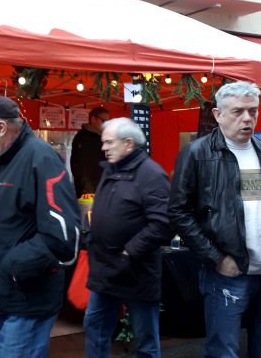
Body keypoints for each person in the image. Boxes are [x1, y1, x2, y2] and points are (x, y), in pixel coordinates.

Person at [169, 81, 261, 358]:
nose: (247, 118)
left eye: (253, 111)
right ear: (218, 115)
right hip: (228, 275)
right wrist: (217, 257)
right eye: (238, 111)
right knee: (223, 352)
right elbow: (178, 211)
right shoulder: (198, 154)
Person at [0, 94, 80, 358]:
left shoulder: (41, 159)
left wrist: (13, 266)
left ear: (1, 127)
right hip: (1, 294)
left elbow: (63, 236)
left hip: (26, 298)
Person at [84, 117, 172, 358]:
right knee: (94, 327)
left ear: (129, 144)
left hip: (136, 271)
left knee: (145, 339)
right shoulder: (111, 170)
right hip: (105, 269)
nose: (104, 147)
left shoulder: (152, 175)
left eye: (109, 142)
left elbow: (164, 223)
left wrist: (130, 251)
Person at [70, 107, 110, 232]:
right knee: (87, 229)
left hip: (102, 190)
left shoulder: (102, 138)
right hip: (88, 193)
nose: (106, 125)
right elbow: (80, 167)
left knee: (101, 228)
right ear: (93, 119)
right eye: (103, 121)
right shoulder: (82, 138)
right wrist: (86, 188)